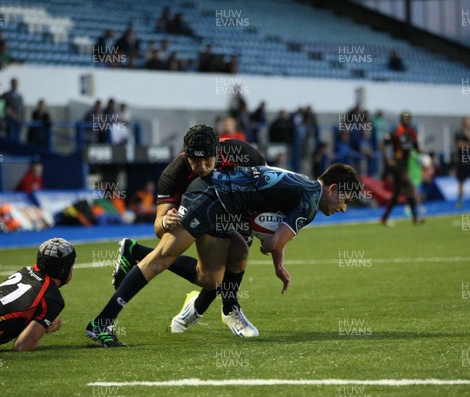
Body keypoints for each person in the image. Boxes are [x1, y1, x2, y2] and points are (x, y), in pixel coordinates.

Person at [86, 161, 359, 347]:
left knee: (216, 272)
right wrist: (272, 247)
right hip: (213, 200)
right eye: (345, 201)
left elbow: (277, 226)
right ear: (333, 189)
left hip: (221, 202)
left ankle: (134, 252)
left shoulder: (304, 186)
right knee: (163, 259)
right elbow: (274, 241)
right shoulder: (311, 201)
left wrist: (279, 263)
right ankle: (102, 322)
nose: (344, 208)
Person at [111, 125, 266, 338]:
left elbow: (268, 188)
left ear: (217, 153)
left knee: (217, 272)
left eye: (207, 161)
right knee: (224, 262)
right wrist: (166, 221)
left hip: (238, 209)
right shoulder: (174, 173)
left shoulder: (244, 155)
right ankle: (229, 309)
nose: (201, 167)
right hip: (199, 213)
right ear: (186, 155)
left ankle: (193, 308)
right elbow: (158, 227)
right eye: (195, 161)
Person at [380, 111, 424, 226]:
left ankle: (384, 218)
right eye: (404, 118)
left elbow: (416, 148)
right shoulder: (396, 131)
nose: (406, 120)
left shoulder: (412, 133)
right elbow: (383, 143)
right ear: (400, 119)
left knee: (397, 194)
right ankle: (416, 218)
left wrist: (420, 151)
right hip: (397, 164)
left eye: (408, 118)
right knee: (410, 187)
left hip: (405, 164)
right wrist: (388, 159)